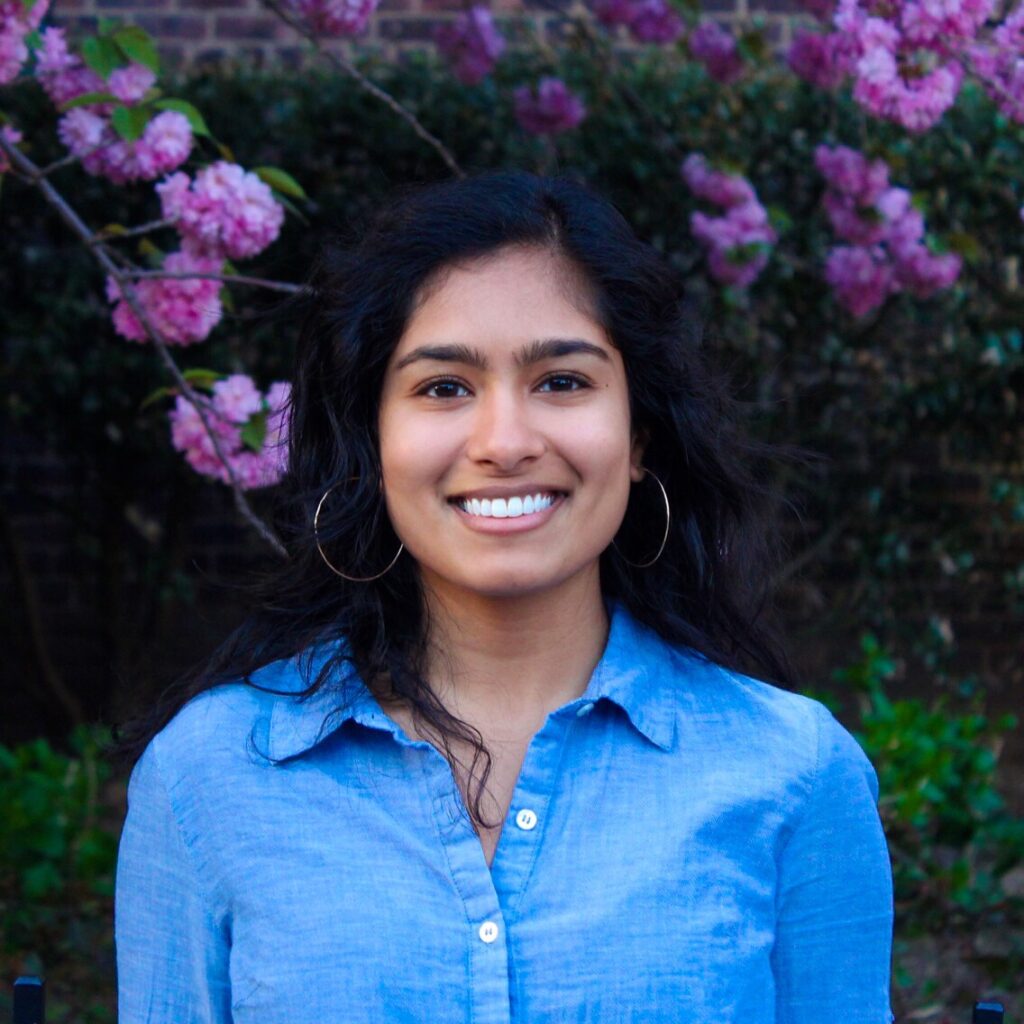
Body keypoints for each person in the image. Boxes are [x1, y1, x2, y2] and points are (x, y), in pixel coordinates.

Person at [114, 170, 894, 1023]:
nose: (505, 443)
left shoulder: (795, 773)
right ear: (374, 440)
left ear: (638, 436)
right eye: (443, 387)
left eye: (562, 380)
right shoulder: (208, 778)